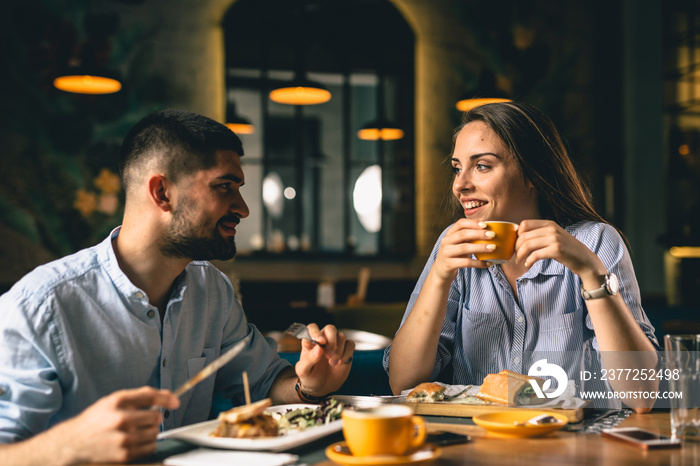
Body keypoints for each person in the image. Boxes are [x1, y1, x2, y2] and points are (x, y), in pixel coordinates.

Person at [0, 109, 355, 465]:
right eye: (224, 187)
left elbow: (265, 385)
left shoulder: (212, 290)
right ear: (162, 193)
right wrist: (72, 445)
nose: (243, 208)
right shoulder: (40, 306)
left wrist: (307, 386)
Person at [383, 101, 659, 412]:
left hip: (575, 448)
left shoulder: (594, 242)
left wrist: (590, 272)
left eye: (482, 166)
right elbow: (402, 383)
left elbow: (643, 395)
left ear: (532, 174)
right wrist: (439, 276)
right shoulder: (453, 248)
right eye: (457, 168)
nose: (460, 185)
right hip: (478, 448)